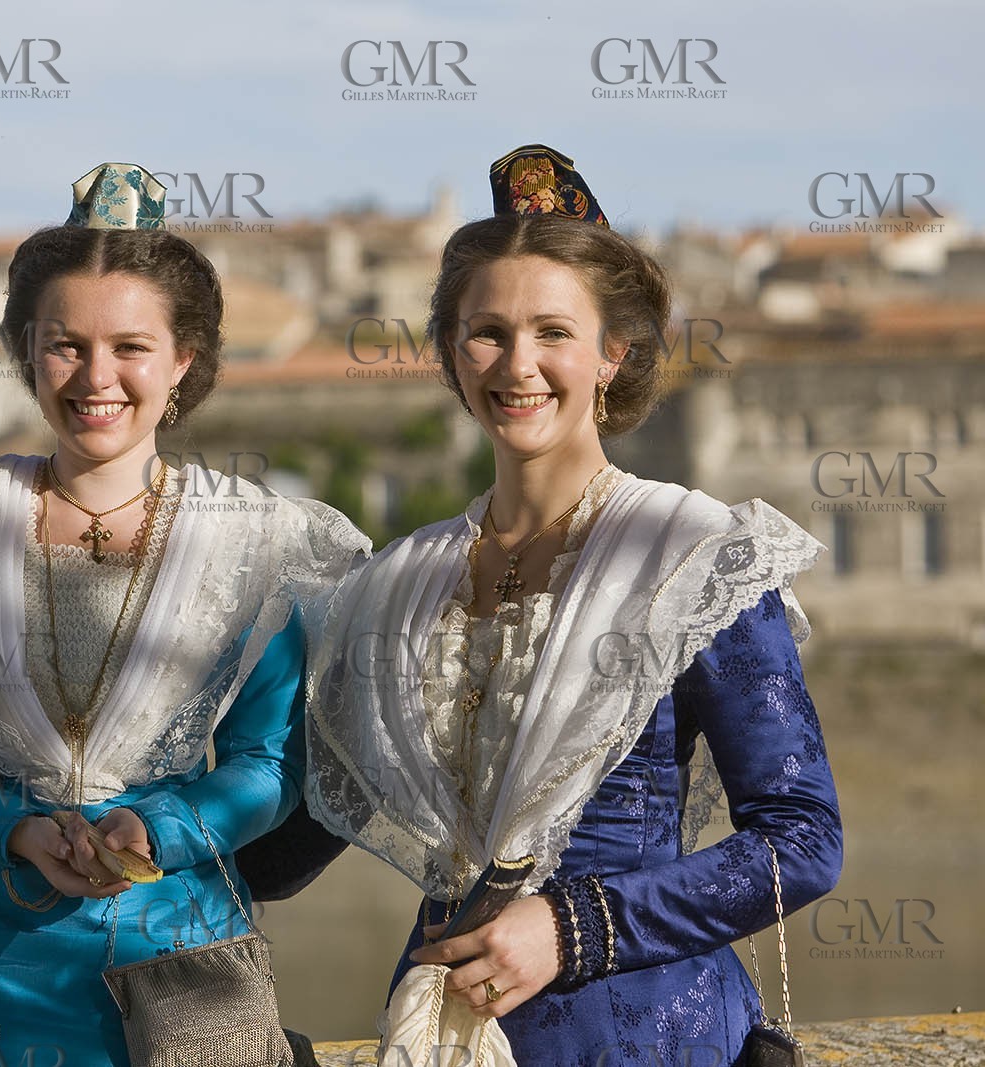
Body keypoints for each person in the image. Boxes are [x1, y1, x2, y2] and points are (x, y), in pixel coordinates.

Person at [296, 145, 843, 1066]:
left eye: (553, 331)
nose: (518, 364)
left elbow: (801, 840)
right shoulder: (397, 582)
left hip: (648, 1033)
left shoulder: (691, 557)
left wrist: (570, 926)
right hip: (438, 1031)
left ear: (610, 354)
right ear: (449, 352)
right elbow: (296, 821)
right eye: (487, 332)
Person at [0, 162, 368, 1067]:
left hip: (180, 968)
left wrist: (159, 829)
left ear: (183, 361)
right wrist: (9, 825)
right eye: (64, 344)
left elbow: (270, 762)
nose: (96, 377)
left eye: (130, 346)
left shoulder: (252, 539)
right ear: (26, 352)